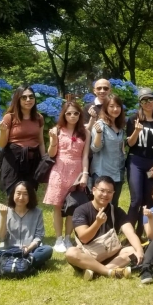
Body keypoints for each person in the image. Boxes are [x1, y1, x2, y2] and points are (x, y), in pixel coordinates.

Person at [65, 176, 145, 280]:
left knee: (133, 250)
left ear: (113, 194)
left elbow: (130, 232)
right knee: (71, 253)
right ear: (94, 190)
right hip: (88, 256)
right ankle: (110, 272)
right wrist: (97, 223)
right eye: (102, 191)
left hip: (111, 254)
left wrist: (140, 250)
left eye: (109, 192)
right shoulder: (80, 211)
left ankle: (96, 272)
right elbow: (84, 238)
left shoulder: (117, 211)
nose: (105, 195)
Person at [43, 102, 90, 253]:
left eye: (76, 113)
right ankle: (58, 239)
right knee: (57, 205)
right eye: (69, 113)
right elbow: (51, 154)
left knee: (72, 205)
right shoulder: (57, 130)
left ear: (80, 115)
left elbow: (85, 156)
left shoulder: (85, 132)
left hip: (76, 171)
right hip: (59, 169)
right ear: (64, 115)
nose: (72, 116)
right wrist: (53, 140)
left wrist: (85, 174)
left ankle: (68, 237)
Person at [126, 87, 153, 236]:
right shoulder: (133, 119)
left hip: (152, 164)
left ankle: (141, 233)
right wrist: (136, 131)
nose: (148, 102)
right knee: (136, 200)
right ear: (140, 103)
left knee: (149, 200)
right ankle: (129, 234)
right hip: (135, 162)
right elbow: (130, 144)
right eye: (144, 100)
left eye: (150, 99)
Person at [0, 182, 53, 270]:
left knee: (47, 249)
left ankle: (10, 263)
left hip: (29, 250)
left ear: (30, 196)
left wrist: (29, 248)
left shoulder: (37, 212)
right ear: (13, 194)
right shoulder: (5, 212)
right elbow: (1, 238)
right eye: (18, 193)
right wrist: (3, 216)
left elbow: (39, 236)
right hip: (8, 251)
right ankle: (28, 263)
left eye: (25, 194)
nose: (21, 197)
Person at [0, 86, 46, 194]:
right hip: (13, 162)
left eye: (31, 97)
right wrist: (3, 131)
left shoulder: (39, 118)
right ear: (18, 99)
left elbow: (41, 142)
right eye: (24, 97)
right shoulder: (10, 117)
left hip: (32, 162)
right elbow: (2, 144)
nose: (28, 100)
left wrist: (44, 161)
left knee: (29, 194)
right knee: (13, 194)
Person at [90, 94, 126, 206]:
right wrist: (99, 133)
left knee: (113, 205)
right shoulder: (100, 125)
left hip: (118, 172)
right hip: (103, 172)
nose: (115, 109)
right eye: (111, 106)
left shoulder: (120, 127)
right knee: (101, 205)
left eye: (118, 106)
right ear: (105, 107)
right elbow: (95, 148)